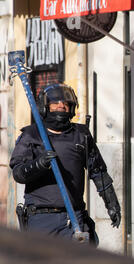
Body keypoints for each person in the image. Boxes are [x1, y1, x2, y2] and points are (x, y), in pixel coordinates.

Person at [10, 83, 121, 245]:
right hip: (42, 220)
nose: (61, 106)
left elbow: (99, 172)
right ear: (45, 107)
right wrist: (38, 165)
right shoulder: (31, 135)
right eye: (56, 103)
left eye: (66, 103)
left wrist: (112, 203)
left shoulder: (81, 135)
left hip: (74, 217)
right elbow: (18, 173)